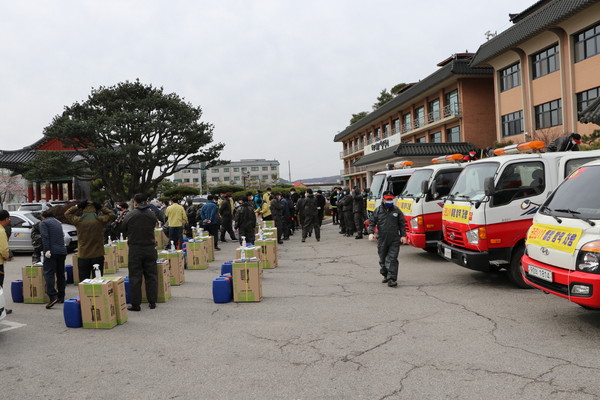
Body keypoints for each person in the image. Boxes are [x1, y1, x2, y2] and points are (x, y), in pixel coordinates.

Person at [121, 193, 159, 311]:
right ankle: (152, 302)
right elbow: (155, 224)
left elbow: (123, 229)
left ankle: (136, 304)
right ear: (146, 201)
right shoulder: (152, 214)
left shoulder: (130, 215)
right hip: (150, 247)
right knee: (151, 275)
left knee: (135, 276)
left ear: (135, 202)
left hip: (135, 248)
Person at [65, 200, 115, 279]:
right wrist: (102, 207)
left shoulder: (78, 221)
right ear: (96, 209)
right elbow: (111, 214)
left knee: (84, 281)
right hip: (97, 254)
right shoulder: (100, 220)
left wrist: (77, 206)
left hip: (83, 255)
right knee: (97, 280)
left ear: (83, 209)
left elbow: (67, 213)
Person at [367, 190, 407, 288]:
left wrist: (403, 235)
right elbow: (372, 222)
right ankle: (385, 274)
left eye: (391, 199)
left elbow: (402, 224)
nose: (389, 201)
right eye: (388, 199)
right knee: (383, 259)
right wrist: (371, 233)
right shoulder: (378, 210)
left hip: (394, 239)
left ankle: (391, 279)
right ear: (383, 199)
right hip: (382, 239)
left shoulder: (397, 211)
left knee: (392, 259)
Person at [40, 209, 68, 309]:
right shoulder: (58, 223)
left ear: (43, 217)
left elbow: (45, 237)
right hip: (62, 251)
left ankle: (52, 296)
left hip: (52, 252)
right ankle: (61, 296)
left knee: (48, 273)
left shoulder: (44, 223)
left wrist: (46, 250)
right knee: (60, 274)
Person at [0, 210, 13, 314]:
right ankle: (1, 309)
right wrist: (6, 257)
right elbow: (4, 249)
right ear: (5, 219)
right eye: (8, 218)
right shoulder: (1, 231)